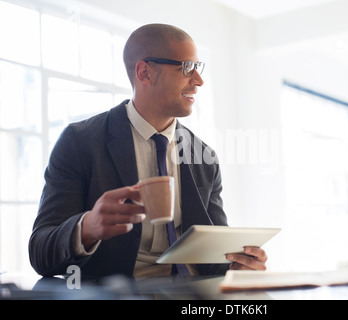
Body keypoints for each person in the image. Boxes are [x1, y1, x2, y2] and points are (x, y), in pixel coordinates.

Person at [28, 23, 267, 281]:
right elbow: (41, 251)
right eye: (187, 67)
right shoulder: (80, 142)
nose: (198, 80)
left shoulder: (203, 156)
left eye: (198, 68)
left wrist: (237, 266)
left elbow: (215, 257)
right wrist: (86, 228)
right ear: (145, 73)